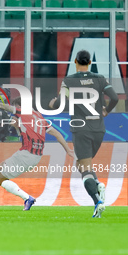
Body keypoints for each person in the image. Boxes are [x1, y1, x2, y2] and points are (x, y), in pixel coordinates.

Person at [49, 49, 118, 218]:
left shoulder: (68, 80)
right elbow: (115, 98)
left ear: (75, 61)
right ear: (90, 63)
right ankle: (96, 184)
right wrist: (107, 111)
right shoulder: (100, 79)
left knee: (84, 167)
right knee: (83, 166)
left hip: (81, 129)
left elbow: (60, 103)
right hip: (99, 129)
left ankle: (98, 202)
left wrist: (52, 104)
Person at [0, 97, 74, 211]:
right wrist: (68, 149)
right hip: (34, 155)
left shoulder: (22, 111)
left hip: (27, 154)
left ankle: (27, 198)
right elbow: (57, 133)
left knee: (0, 179)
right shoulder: (39, 117)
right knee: (2, 166)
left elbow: (6, 107)